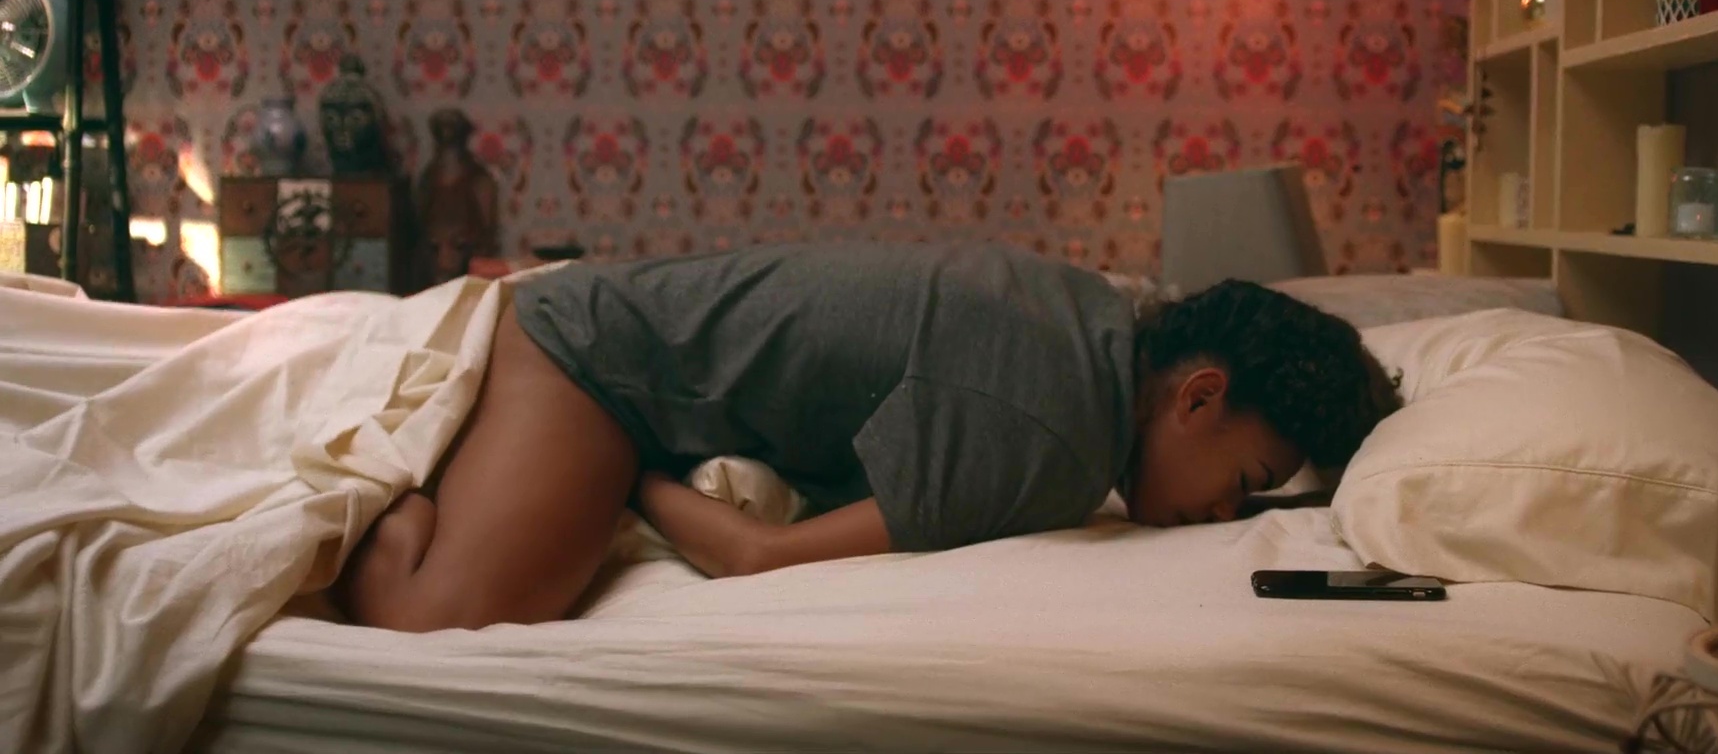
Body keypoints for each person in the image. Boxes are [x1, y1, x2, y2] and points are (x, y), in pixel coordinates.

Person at [335, 242, 1402, 632]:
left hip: (613, 322)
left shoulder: (1095, 319)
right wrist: (638, 473)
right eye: (1245, 480)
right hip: (592, 358)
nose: (1225, 512)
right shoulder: (1054, 438)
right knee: (438, 618)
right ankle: (401, 504)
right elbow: (755, 557)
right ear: (1200, 397)